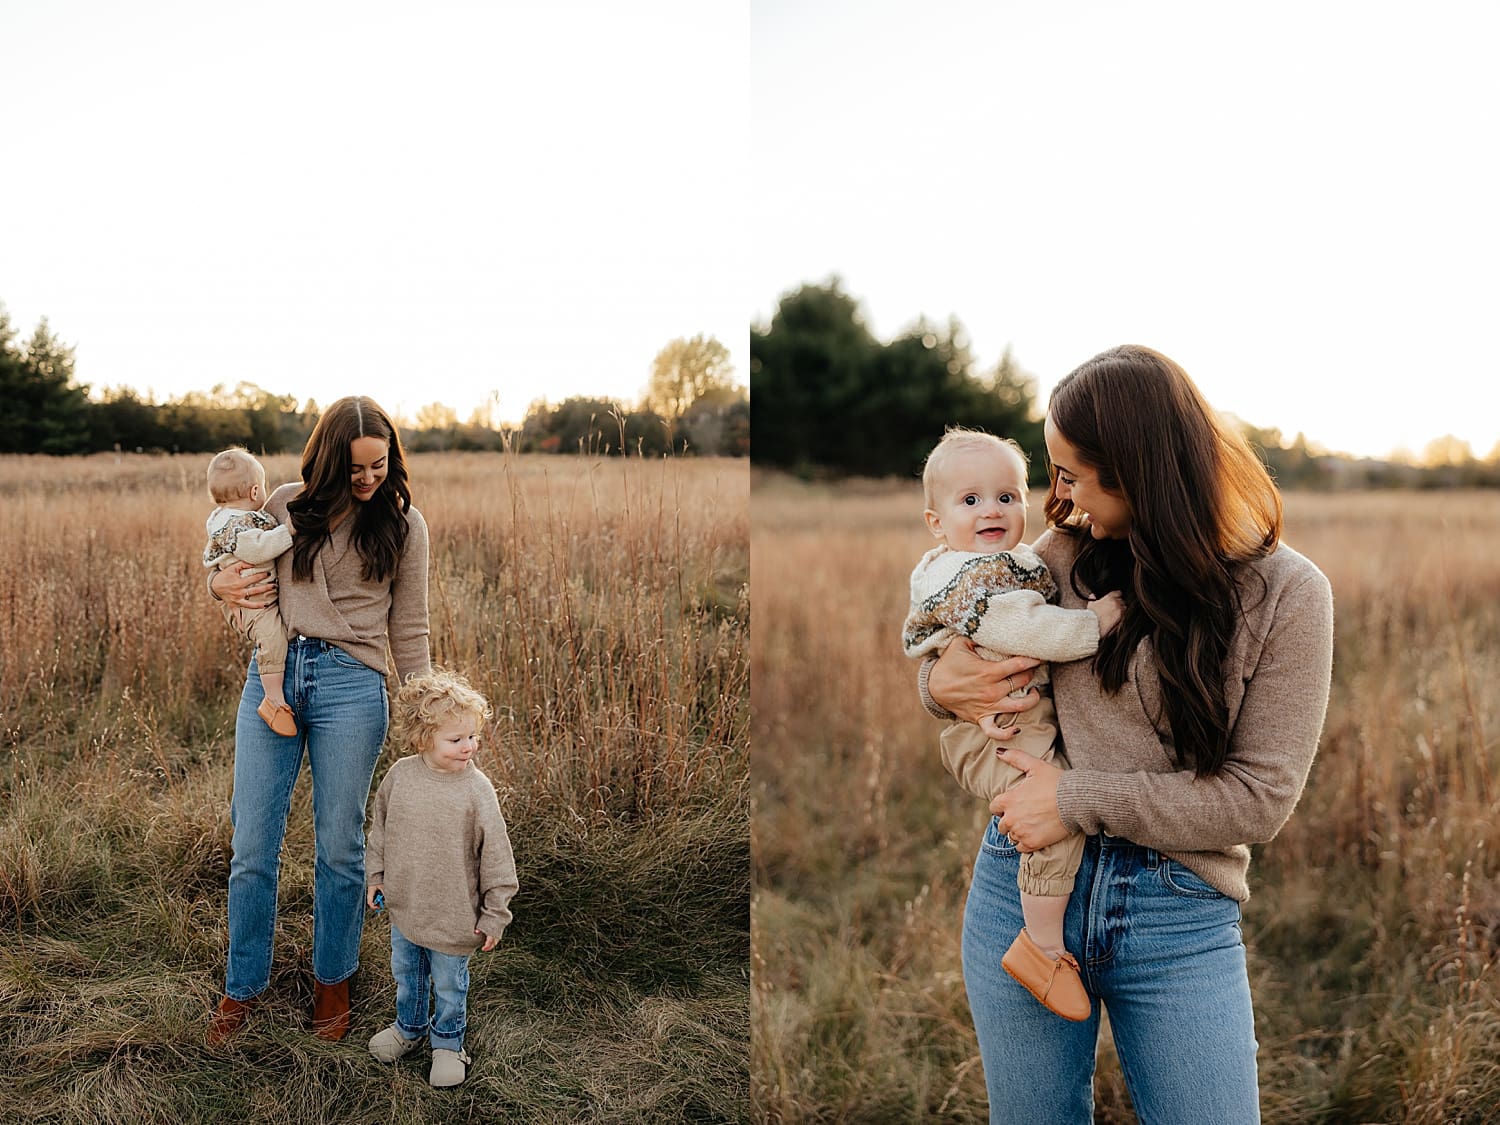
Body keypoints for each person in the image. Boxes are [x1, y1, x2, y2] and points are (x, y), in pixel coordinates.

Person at [920, 345, 1334, 1124]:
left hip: (1178, 911)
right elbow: (963, 627)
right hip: (1022, 887)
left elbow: (1260, 799)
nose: (1058, 498)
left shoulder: (1287, 594)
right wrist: (934, 683)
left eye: (1072, 475)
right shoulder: (1065, 554)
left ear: (1138, 470)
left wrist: (1074, 798)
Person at [205, 396, 431, 1046]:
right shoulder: (283, 503)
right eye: (355, 467)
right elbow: (228, 552)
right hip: (273, 681)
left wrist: (424, 709)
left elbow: (409, 631)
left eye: (379, 465)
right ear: (326, 460)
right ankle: (242, 984)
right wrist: (215, 585)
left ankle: (334, 977)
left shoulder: (405, 524)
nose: (368, 479)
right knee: (252, 846)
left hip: (352, 686)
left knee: (339, 845)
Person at [903, 428, 1121, 1021]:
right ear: (935, 521)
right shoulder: (974, 578)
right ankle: (1043, 947)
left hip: (1007, 713)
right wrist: (1096, 622)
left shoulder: (1012, 561)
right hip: (995, 728)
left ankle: (1044, 943)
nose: (991, 510)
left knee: (1054, 794)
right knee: (1049, 810)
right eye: (969, 501)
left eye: (1005, 495)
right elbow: (1028, 631)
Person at [365, 667, 518, 1088]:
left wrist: (494, 915)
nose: (469, 746)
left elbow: (498, 859)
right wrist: (375, 875)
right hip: (406, 905)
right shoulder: (400, 776)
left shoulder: (476, 791)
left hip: (454, 915)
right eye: (456, 739)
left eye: (473, 736)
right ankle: (409, 1029)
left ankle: (448, 1042)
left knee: (450, 984)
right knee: (407, 972)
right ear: (422, 738)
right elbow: (379, 829)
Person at [202, 447, 298, 737]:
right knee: (273, 639)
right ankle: (273, 699)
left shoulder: (225, 518)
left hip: (254, 600)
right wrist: (289, 531)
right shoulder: (236, 526)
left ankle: (273, 696)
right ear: (256, 490)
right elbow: (258, 549)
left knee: (272, 636)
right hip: (254, 605)